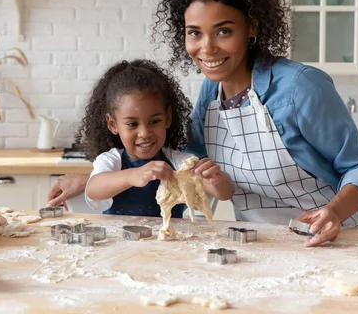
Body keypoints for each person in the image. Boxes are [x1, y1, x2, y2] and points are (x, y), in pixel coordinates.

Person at [150, 0, 358, 247]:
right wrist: (93, 179)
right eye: (195, 33)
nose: (206, 48)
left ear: (253, 27)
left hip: (330, 240)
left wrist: (334, 213)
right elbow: (190, 164)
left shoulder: (301, 87)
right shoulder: (211, 93)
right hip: (257, 244)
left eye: (223, 31)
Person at [61, 59, 234, 217]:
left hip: (169, 246)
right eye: (132, 124)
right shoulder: (112, 160)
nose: (144, 133)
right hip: (120, 246)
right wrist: (132, 176)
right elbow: (94, 189)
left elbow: (225, 193)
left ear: (167, 118)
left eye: (154, 121)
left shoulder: (179, 161)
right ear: (113, 124)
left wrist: (217, 179)